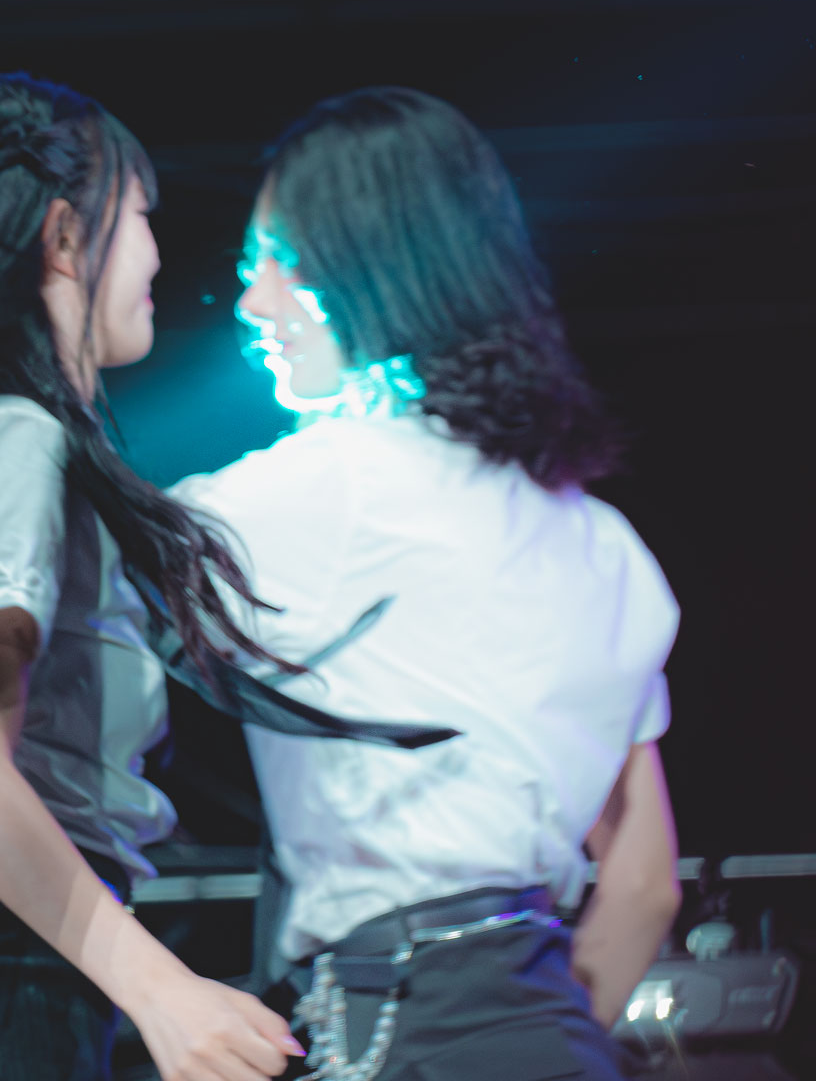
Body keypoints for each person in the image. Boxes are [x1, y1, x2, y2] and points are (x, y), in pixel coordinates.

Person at [175, 87, 680, 1079]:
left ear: (380, 262)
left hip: (404, 1011)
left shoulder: (322, 489)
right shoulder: (608, 544)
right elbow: (645, 884)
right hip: (544, 1021)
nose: (253, 302)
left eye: (281, 259)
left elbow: (62, 602)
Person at [0, 72, 301, 1081]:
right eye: (141, 213)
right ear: (64, 235)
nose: (157, 254)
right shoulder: (14, 437)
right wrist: (164, 991)